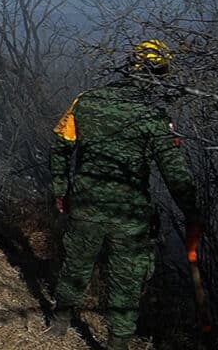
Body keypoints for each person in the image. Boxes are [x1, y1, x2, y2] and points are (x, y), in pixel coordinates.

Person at [47, 39, 203, 350]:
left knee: (76, 265)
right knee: (127, 281)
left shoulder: (86, 101)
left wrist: (61, 190)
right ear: (157, 74)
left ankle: (60, 322)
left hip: (86, 205)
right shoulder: (155, 118)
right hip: (129, 216)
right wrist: (192, 211)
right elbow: (174, 172)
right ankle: (117, 343)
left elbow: (60, 147)